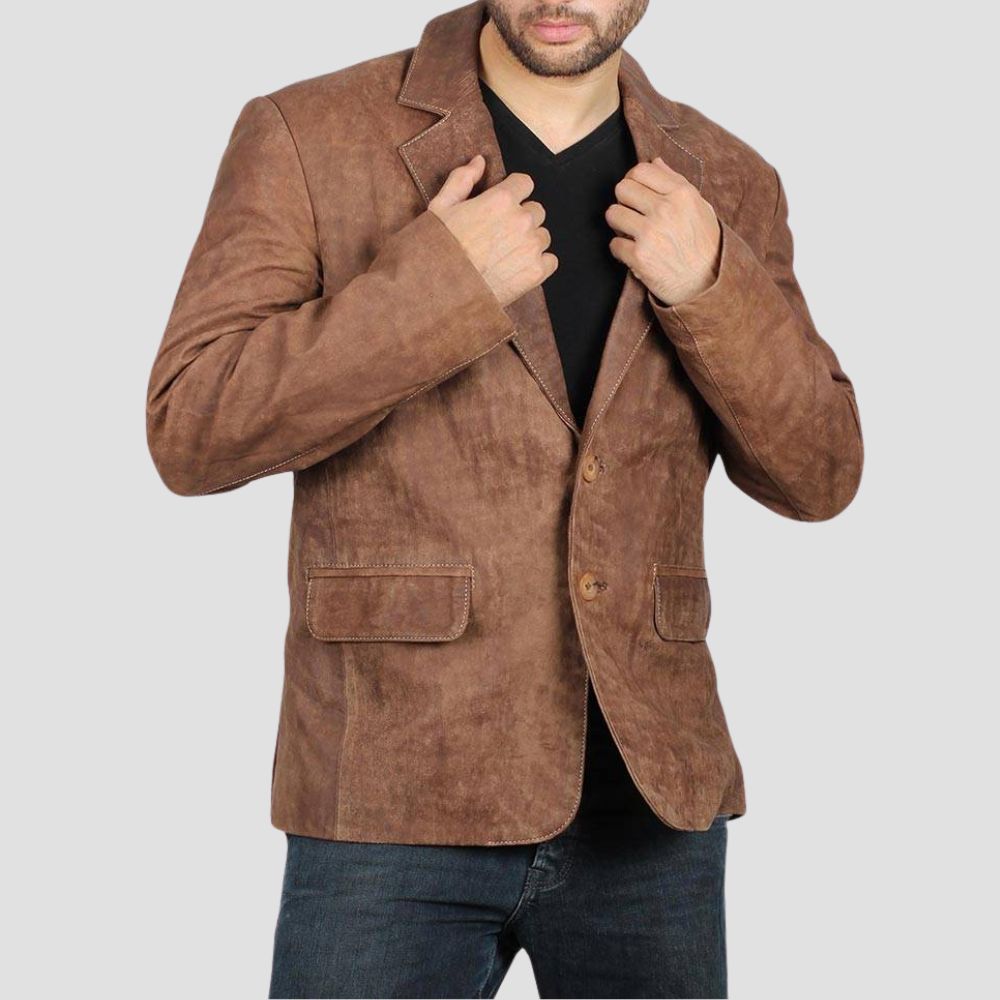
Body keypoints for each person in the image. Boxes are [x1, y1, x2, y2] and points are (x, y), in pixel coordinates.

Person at [145, 1, 863, 996]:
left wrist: (711, 287)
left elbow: (820, 475)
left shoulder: (729, 178)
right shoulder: (307, 134)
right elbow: (192, 427)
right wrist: (438, 286)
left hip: (651, 806)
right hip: (392, 793)